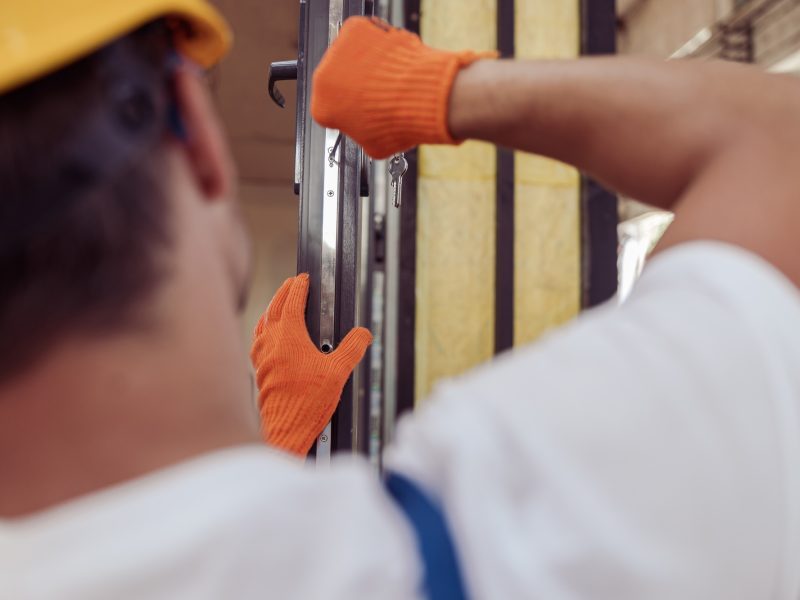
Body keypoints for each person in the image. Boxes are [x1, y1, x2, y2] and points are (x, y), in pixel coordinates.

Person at [1, 3, 799, 598]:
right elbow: (782, 152)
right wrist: (439, 89)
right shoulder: (463, 551)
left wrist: (271, 449)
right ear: (204, 147)